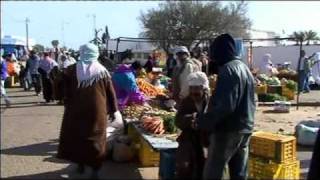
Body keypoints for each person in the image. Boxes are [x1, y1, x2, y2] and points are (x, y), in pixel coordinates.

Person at [198, 34, 256, 180]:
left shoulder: (228, 69)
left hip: (228, 129)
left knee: (214, 171)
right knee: (239, 172)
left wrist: (204, 121)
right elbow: (253, 100)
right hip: (245, 127)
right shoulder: (245, 68)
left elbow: (225, 105)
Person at [57, 43, 118, 179]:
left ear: (81, 52)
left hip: (75, 111)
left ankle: (80, 164)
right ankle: (95, 170)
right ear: (95, 54)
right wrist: (114, 110)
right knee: (95, 139)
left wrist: (64, 99)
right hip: (97, 112)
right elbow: (110, 93)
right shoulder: (102, 71)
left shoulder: (71, 70)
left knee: (78, 137)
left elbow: (60, 86)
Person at [175, 71, 210, 179]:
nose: (193, 92)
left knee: (205, 166)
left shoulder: (211, 101)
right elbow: (178, 121)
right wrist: (190, 119)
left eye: (197, 90)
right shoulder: (186, 101)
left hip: (206, 139)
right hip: (188, 138)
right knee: (184, 167)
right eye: (191, 89)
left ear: (204, 89)